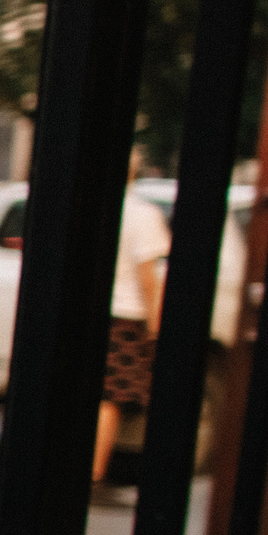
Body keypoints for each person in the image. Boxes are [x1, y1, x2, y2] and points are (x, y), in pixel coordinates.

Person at [95, 151, 171, 496]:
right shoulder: (143, 215)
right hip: (125, 312)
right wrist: (155, 323)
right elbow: (148, 275)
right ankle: (94, 474)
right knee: (109, 397)